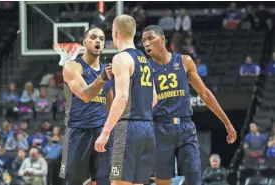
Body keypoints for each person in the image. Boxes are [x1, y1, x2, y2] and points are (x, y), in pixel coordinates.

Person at [141, 25, 237, 185]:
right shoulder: (146, 68)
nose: (146, 43)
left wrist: (227, 122)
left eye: (150, 38)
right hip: (160, 129)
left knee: (194, 179)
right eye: (144, 40)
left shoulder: (184, 61)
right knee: (163, 181)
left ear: (163, 39)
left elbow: (205, 94)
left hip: (186, 127)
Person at [95, 14, 157, 185]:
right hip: (147, 128)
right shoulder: (145, 60)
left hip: (128, 128)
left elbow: (121, 97)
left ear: (116, 33)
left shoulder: (121, 58)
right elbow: (154, 99)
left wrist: (105, 132)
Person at [59, 27, 113, 185]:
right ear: (84, 42)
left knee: (106, 181)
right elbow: (85, 95)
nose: (98, 41)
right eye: (94, 37)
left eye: (102, 39)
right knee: (75, 182)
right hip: (79, 132)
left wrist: (110, 132)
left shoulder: (106, 71)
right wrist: (101, 79)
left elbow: (111, 105)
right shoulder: (73, 67)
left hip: (101, 133)